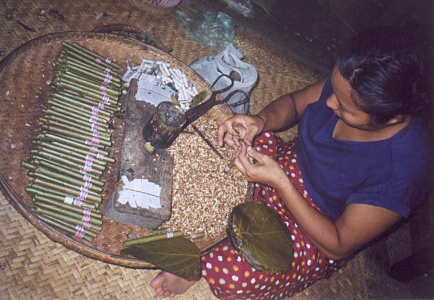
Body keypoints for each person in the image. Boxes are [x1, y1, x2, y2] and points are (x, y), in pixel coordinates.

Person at [150, 22, 433, 299]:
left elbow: (338, 244)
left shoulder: (405, 166)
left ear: (391, 118)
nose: (331, 102)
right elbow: (296, 104)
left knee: (235, 275)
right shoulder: (352, 81)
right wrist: (260, 121)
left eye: (345, 108)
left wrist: (281, 184)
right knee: (215, 145)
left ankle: (196, 267)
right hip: (287, 162)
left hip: (317, 227)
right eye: (333, 89)